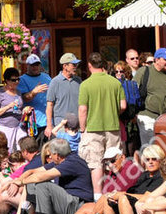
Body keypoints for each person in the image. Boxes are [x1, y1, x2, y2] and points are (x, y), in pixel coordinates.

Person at [13, 137, 94, 214]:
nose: (49, 157)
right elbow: (32, 171)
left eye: (50, 154)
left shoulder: (73, 162)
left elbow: (42, 177)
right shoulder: (61, 161)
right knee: (32, 183)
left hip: (77, 204)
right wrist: (16, 181)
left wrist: (21, 182)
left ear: (57, 155)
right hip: (67, 203)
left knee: (43, 185)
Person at [77, 52, 125, 194]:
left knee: (96, 163)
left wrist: (82, 128)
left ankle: (98, 196)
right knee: (114, 162)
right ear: (103, 65)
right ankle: (116, 193)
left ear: (89, 65)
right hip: (113, 127)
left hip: (93, 128)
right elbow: (123, 106)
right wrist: (113, 113)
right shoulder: (115, 82)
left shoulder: (85, 84)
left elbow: (83, 109)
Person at [134, 48, 166, 145]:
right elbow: (133, 91)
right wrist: (134, 112)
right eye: (165, 60)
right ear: (157, 59)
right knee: (149, 147)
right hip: (147, 115)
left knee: (164, 147)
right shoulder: (144, 71)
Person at [45, 54, 81, 141]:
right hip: (61, 127)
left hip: (77, 126)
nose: (76, 67)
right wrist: (49, 126)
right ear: (65, 66)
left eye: (76, 64)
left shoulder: (78, 81)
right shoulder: (55, 82)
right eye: (73, 65)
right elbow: (49, 105)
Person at [0, 68, 28, 151]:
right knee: (8, 150)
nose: (17, 82)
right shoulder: (0, 94)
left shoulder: (18, 92)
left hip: (19, 126)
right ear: (7, 80)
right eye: (13, 80)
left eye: (18, 79)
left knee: (22, 148)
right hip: (5, 126)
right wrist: (8, 106)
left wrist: (25, 110)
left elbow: (19, 108)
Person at [19, 53, 52, 144]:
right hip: (33, 123)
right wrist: (34, 92)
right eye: (32, 65)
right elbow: (24, 98)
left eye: (37, 65)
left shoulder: (46, 77)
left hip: (47, 122)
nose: (35, 67)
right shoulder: (22, 79)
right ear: (27, 66)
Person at [113, 61, 141, 158]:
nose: (119, 74)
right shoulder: (133, 84)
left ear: (126, 72)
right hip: (127, 117)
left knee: (125, 143)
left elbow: (138, 101)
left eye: (121, 71)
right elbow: (138, 102)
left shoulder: (117, 85)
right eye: (116, 72)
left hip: (125, 116)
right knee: (129, 143)